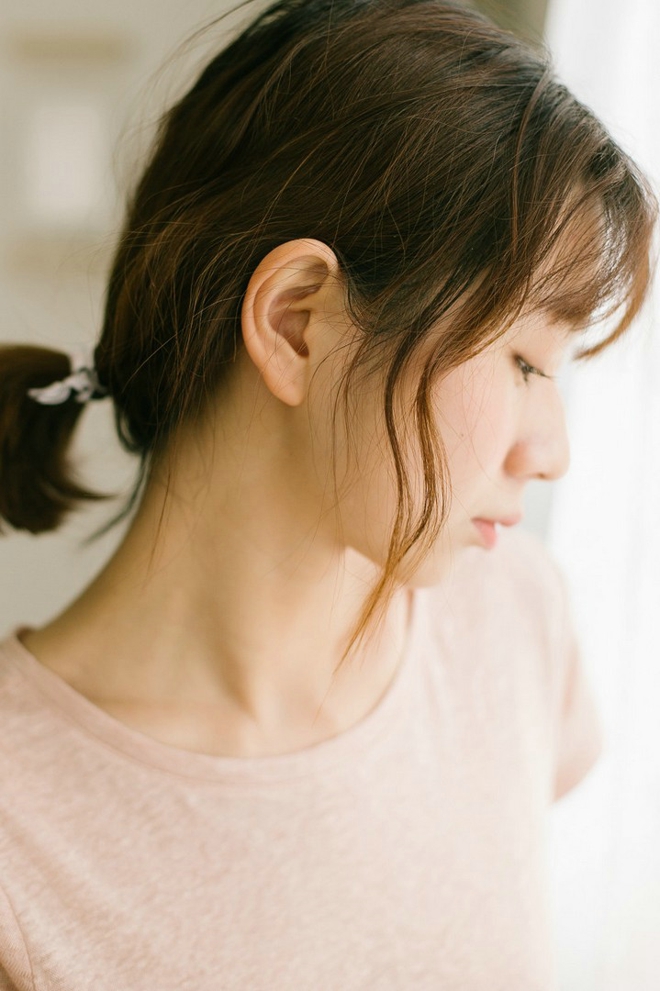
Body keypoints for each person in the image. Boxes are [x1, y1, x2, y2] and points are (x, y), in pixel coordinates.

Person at [0, 0, 656, 987]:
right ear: (298, 322)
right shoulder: (22, 840)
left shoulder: (516, 620)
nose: (552, 451)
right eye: (524, 362)